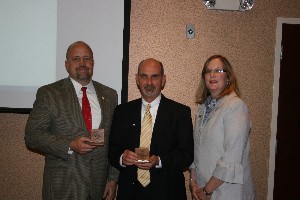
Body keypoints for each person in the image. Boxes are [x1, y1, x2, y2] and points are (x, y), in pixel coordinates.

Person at [25, 41, 119, 200]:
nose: (82, 63)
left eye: (87, 58)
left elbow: (114, 140)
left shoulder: (110, 95)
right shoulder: (49, 93)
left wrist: (112, 178)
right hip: (63, 187)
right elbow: (32, 136)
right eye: (76, 59)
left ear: (93, 63)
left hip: (98, 187)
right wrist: (69, 145)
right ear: (66, 64)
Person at [108, 58, 194, 200]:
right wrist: (122, 157)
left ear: (163, 80)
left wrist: (159, 160)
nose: (149, 82)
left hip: (168, 192)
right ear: (137, 79)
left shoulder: (180, 112)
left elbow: (187, 155)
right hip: (130, 193)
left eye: (155, 76)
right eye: (144, 76)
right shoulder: (122, 112)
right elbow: (112, 150)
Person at [189, 55, 255, 200]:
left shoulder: (236, 107)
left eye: (218, 70)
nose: (212, 75)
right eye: (208, 71)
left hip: (227, 191)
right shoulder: (202, 108)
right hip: (203, 189)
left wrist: (208, 190)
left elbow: (232, 157)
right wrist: (193, 183)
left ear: (228, 77)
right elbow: (197, 150)